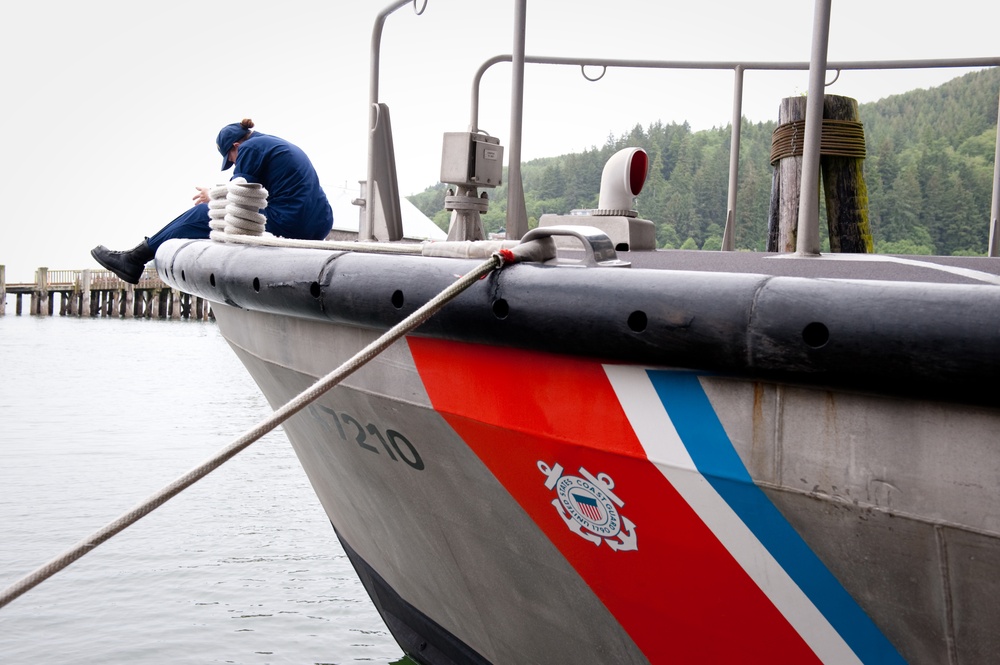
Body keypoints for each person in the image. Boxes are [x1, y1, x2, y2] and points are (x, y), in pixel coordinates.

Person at [91, 118, 334, 284]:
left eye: (230, 158)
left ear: (236, 146)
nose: (233, 163)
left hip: (291, 221)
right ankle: (135, 256)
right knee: (214, 210)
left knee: (205, 213)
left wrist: (212, 196)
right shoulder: (273, 144)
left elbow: (240, 193)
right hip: (319, 224)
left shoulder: (250, 148)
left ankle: (134, 259)